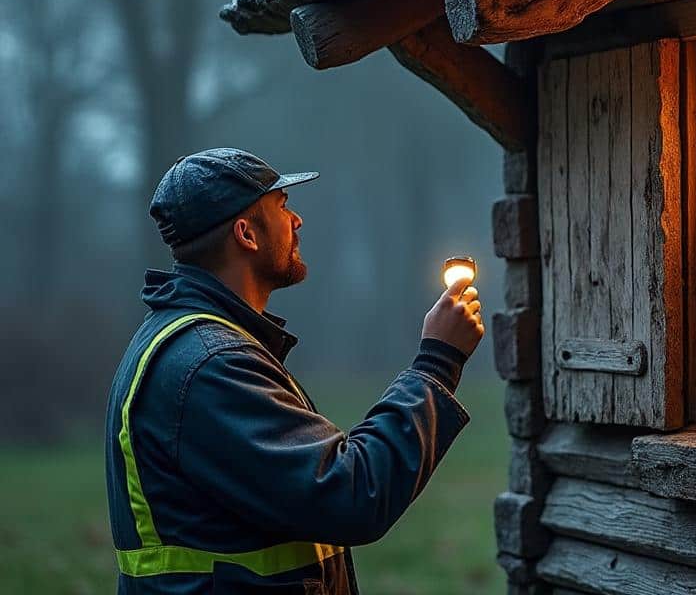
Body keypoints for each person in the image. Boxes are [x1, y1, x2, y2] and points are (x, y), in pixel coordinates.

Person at [104, 148, 484, 593]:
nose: (297, 220)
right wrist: (438, 363)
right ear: (246, 233)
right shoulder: (211, 366)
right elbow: (352, 493)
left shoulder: (186, 341)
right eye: (282, 206)